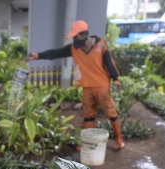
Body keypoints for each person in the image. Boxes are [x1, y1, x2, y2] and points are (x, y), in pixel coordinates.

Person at [25, 20, 125, 149]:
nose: (74, 39)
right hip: (86, 86)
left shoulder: (100, 44)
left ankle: (119, 139)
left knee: (110, 112)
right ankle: (89, 143)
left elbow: (109, 63)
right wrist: (37, 56)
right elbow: (56, 53)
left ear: (84, 34)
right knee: (88, 115)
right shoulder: (73, 49)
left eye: (76, 36)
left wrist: (115, 79)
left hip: (102, 85)